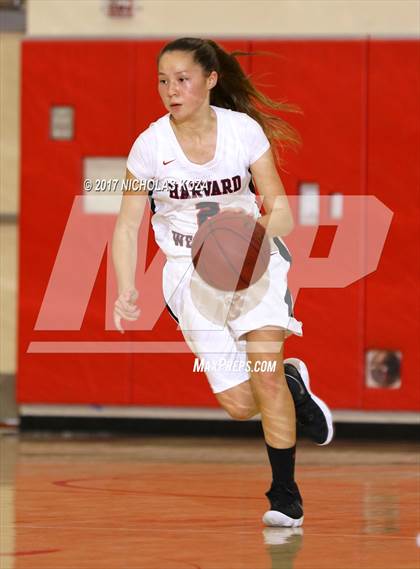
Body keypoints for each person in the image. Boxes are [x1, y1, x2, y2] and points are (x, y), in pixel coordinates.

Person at [112, 37, 333, 527]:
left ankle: (284, 497)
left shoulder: (242, 133)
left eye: (183, 79)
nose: (172, 90)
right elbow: (127, 224)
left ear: (210, 80)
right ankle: (296, 387)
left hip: (252, 259)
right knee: (238, 403)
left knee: (265, 373)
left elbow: (281, 211)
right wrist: (127, 286)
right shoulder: (150, 146)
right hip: (187, 271)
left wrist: (249, 238)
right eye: (163, 81)